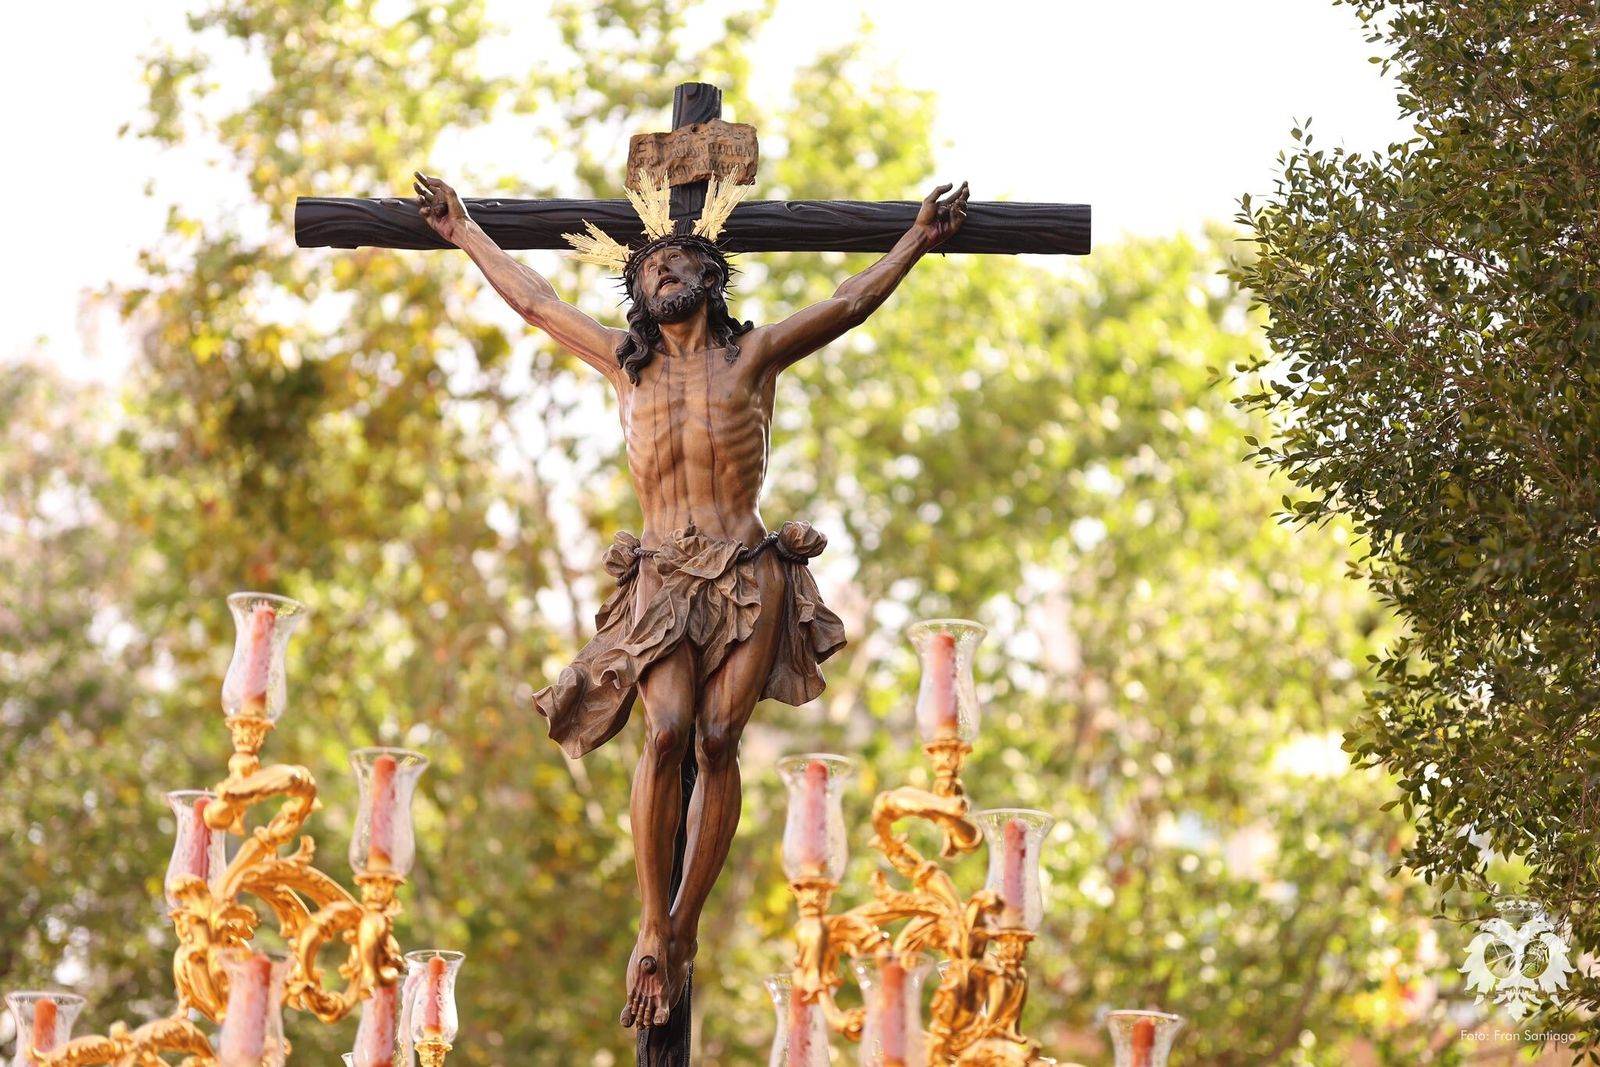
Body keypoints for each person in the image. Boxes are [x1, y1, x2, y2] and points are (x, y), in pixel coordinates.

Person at [413, 170, 969, 1029]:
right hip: (662, 577)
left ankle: (683, 930)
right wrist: (463, 231)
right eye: (650, 268)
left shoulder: (752, 356)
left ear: (711, 277)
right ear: (636, 290)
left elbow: (850, 301)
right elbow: (535, 303)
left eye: (680, 262)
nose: (665, 273)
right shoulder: (623, 368)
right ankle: (651, 920)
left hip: (749, 570)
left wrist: (916, 241)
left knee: (716, 739)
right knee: (666, 730)